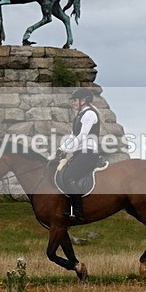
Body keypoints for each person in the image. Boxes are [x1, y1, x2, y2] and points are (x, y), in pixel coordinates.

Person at [55, 88, 101, 223]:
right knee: (63, 174)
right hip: (79, 152)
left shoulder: (90, 114)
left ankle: (79, 213)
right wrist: (61, 149)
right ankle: (69, 209)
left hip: (89, 152)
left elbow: (82, 136)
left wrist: (66, 149)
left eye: (75, 100)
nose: (73, 103)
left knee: (70, 177)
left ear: (83, 101)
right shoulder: (79, 116)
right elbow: (73, 136)